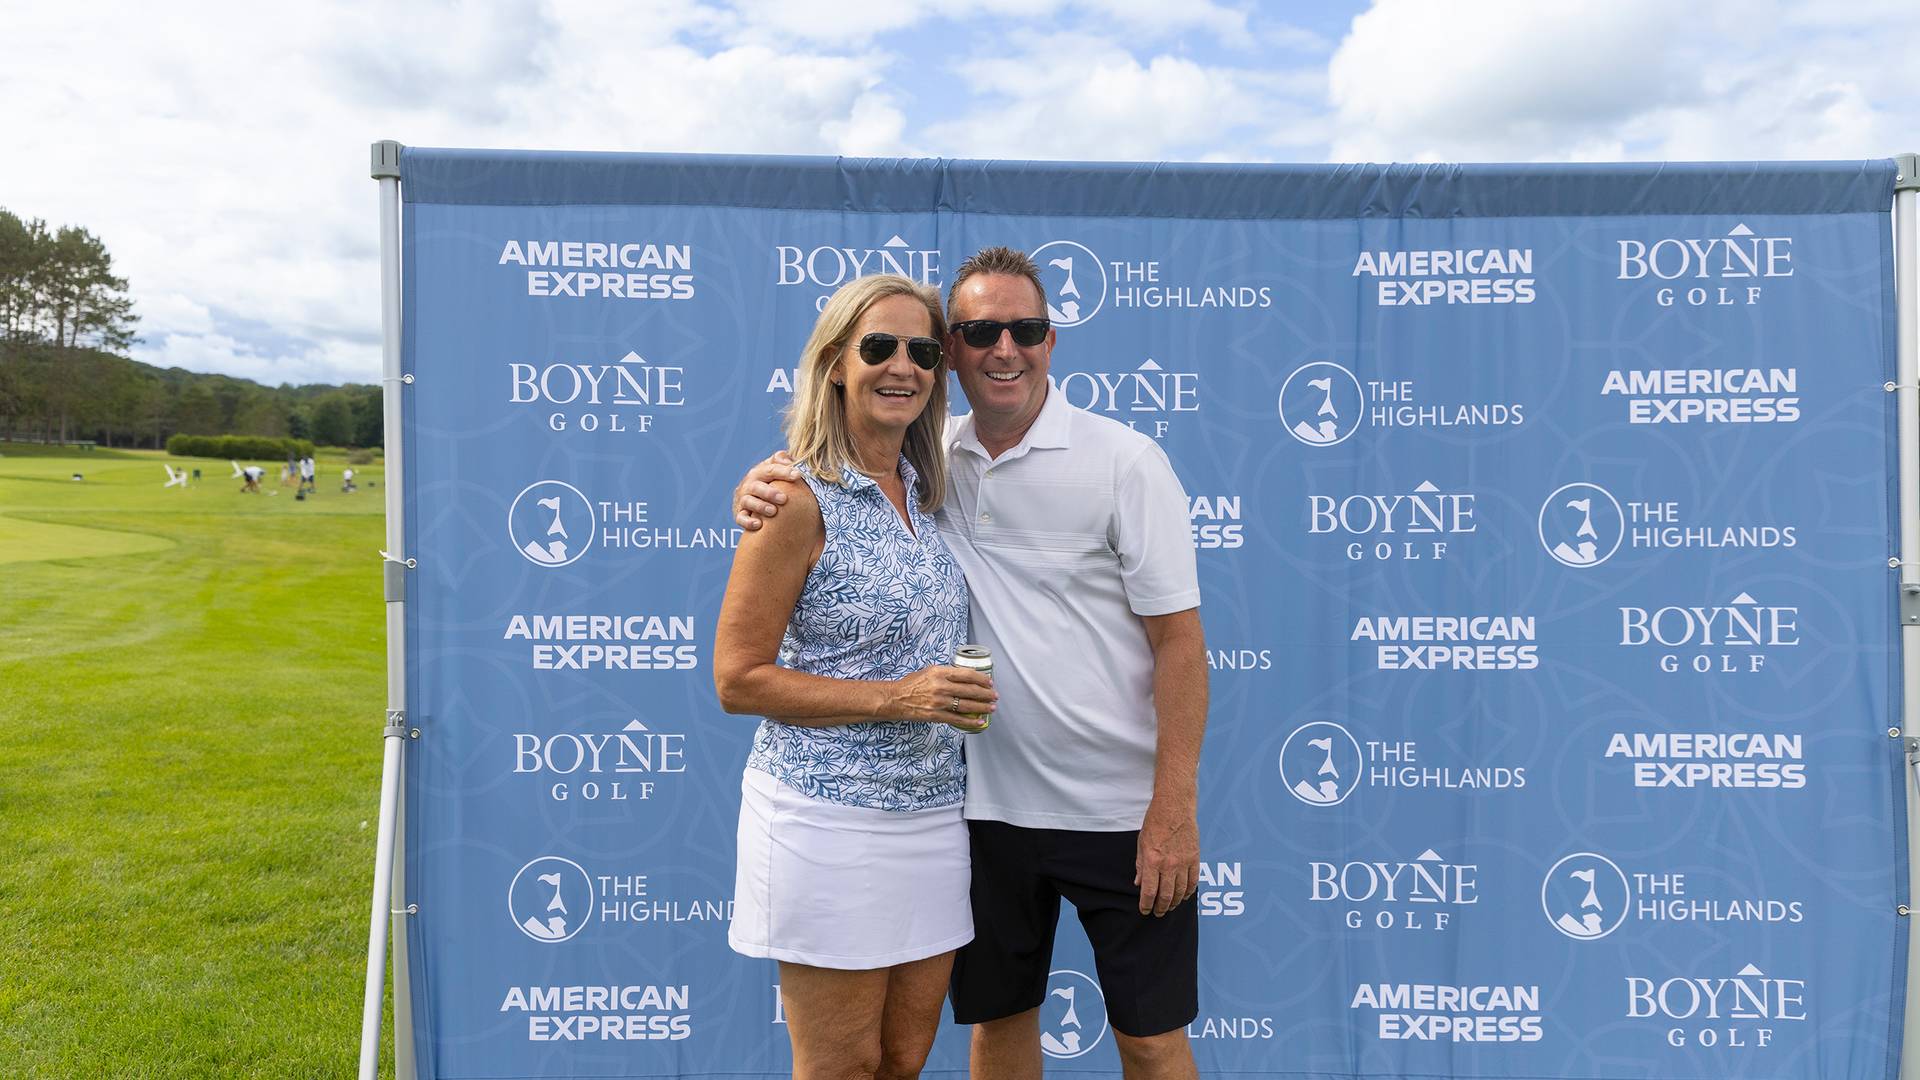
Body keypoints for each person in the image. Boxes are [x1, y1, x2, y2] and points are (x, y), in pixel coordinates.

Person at [736, 248, 1209, 1079]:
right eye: (978, 331)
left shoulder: (1121, 462)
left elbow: (1180, 642)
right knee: (997, 1026)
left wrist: (1171, 806)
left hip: (1119, 815)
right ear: (956, 349)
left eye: (1024, 329)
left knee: (1150, 1040)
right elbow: (818, 487)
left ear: (1051, 341)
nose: (1004, 348)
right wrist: (766, 482)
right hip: (981, 814)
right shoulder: (926, 461)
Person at [713, 273, 999, 1080]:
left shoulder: (926, 485)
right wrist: (899, 699)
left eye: (922, 351)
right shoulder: (795, 497)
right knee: (840, 1068)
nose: (901, 365)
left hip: (934, 817)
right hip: (825, 820)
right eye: (879, 347)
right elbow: (736, 680)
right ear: (836, 362)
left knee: (902, 1061)